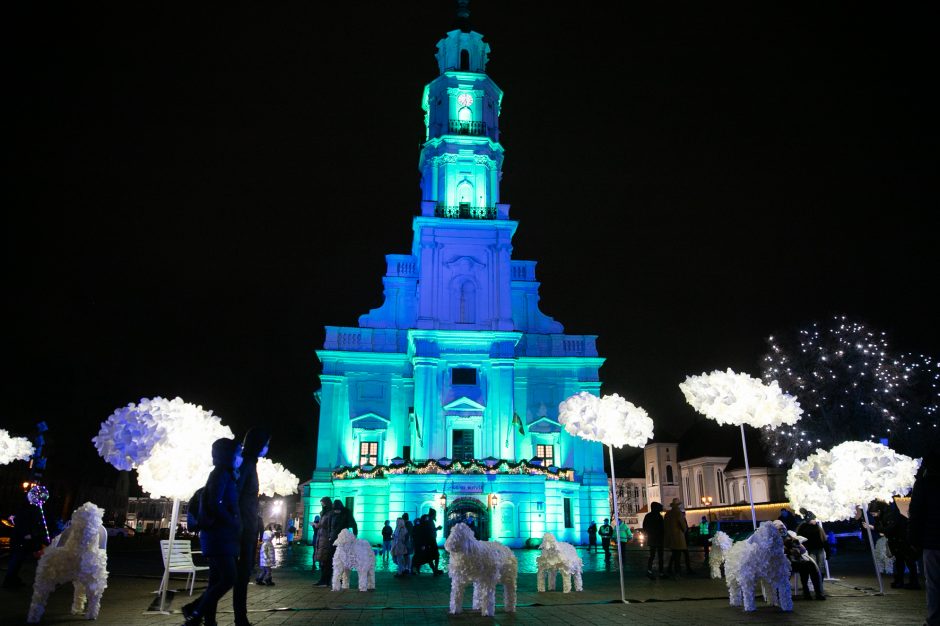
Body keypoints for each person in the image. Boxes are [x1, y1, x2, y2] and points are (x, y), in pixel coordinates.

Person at [182, 438, 243, 625]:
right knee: (229, 578)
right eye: (238, 453)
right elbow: (214, 504)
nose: (240, 456)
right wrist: (233, 521)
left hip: (219, 535)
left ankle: (208, 620)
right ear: (229, 455)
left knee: (215, 581)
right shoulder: (220, 474)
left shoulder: (227, 474)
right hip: (218, 536)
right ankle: (195, 614)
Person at [231, 427, 270, 626]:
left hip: (247, 526)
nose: (268, 447)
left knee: (240, 575)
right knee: (237, 575)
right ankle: (239, 618)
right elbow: (235, 495)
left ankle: (241, 617)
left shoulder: (249, 464)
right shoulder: (246, 465)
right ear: (259, 444)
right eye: (267, 443)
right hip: (243, 528)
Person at [908, 453, 939, 626]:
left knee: (934, 583)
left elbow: (916, 513)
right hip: (931, 540)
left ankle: (935, 619)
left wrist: (913, 539)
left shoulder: (925, 484)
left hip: (932, 542)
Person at [867, 499, 920, 589]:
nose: (873, 516)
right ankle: (899, 581)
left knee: (909, 561)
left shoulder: (891, 514)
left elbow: (889, 529)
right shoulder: (882, 515)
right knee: (899, 561)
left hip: (903, 540)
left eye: (873, 513)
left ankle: (913, 583)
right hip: (896, 540)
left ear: (879, 511)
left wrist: (874, 528)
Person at [774, 520, 825, 600]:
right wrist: (787, 549)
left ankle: (816, 593)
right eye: (780, 529)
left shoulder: (790, 536)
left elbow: (803, 550)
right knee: (786, 569)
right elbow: (776, 552)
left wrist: (797, 545)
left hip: (795, 561)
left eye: (783, 529)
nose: (782, 531)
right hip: (783, 563)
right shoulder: (774, 540)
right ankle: (780, 594)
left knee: (810, 565)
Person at [796, 512, 829, 595]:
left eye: (814, 519)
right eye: (813, 519)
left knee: (821, 569)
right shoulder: (803, 528)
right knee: (813, 570)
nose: (815, 520)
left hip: (819, 550)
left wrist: (828, 552)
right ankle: (816, 590)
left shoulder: (817, 527)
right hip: (809, 551)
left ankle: (819, 588)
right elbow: (800, 541)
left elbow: (823, 539)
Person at [663, 498, 689, 577]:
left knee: (674, 554)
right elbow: (683, 526)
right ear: (678, 505)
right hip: (678, 537)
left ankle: (670, 569)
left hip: (670, 537)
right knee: (678, 555)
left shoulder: (667, 514)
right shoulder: (678, 513)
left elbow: (665, 525)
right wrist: (685, 531)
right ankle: (677, 572)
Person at [313, 498, 335, 586]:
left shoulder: (330, 513)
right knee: (322, 560)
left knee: (326, 561)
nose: (322, 505)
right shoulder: (324, 513)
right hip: (321, 538)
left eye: (323, 504)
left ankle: (325, 580)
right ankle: (323, 580)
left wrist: (319, 525)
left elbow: (328, 525)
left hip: (326, 539)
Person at [643, 502, 665, 579]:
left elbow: (645, 527)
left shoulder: (648, 516)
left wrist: (649, 533)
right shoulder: (659, 516)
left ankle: (649, 571)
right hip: (658, 539)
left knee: (652, 556)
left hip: (652, 538)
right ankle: (661, 572)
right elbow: (663, 528)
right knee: (660, 556)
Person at [426, 507, 443, 575]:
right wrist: (437, 528)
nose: (435, 516)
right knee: (435, 555)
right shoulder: (429, 521)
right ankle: (435, 570)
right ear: (432, 515)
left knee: (432, 556)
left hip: (431, 540)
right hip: (431, 541)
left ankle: (435, 570)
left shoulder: (429, 520)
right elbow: (430, 530)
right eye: (435, 514)